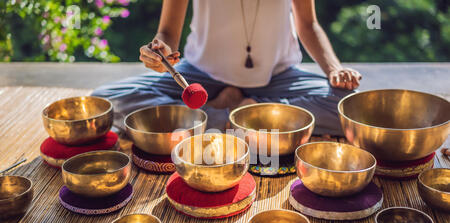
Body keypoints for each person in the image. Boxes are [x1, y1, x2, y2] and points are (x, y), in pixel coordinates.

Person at [92, 0, 362, 135]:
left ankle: (232, 111)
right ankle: (254, 116)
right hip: (201, 75)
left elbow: (307, 25)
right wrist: (160, 53)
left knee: (350, 108)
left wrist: (333, 69)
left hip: (278, 77)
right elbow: (167, 32)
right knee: (103, 101)